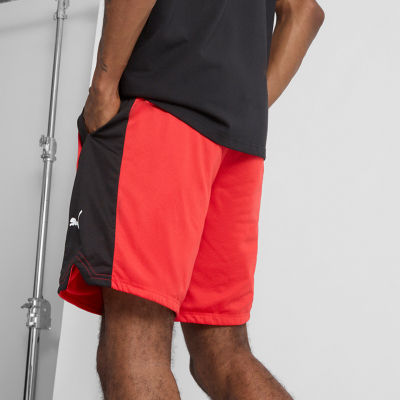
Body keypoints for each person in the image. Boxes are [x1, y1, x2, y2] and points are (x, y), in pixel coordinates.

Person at [57, 0, 324, 398]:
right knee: (224, 355)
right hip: (235, 143)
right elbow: (305, 11)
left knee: (134, 346)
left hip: (159, 113)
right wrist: (242, 107)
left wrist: (103, 86)